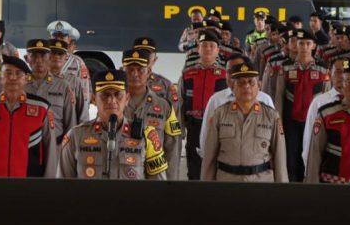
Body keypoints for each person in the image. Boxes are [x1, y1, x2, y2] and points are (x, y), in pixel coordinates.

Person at [59, 70, 168, 180]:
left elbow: (159, 188)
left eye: (117, 94)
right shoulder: (76, 136)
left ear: (127, 99)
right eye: (105, 95)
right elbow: (63, 188)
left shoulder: (147, 136)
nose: (111, 100)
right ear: (94, 99)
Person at [0, 56, 57, 178]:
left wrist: (48, 187)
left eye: (18, 73)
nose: (13, 77)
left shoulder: (42, 108)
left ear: (26, 78)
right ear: (0, 78)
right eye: (8, 73)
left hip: (30, 184)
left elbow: (50, 151)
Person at [201, 59, 288, 182]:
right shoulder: (219, 115)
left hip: (261, 183)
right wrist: (206, 190)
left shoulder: (272, 117)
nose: (246, 86)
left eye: (251, 82)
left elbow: (280, 159)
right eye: (241, 82)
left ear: (259, 85)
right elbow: (209, 158)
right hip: (227, 182)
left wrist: (282, 191)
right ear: (232, 86)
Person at [273, 29, 329, 181]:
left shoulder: (323, 68)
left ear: (314, 46)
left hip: (313, 123)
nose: (304, 47)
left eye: (307, 43)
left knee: (312, 156)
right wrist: (279, 121)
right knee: (291, 157)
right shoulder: (285, 67)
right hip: (290, 121)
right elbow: (279, 96)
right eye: (301, 43)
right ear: (295, 45)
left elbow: (327, 98)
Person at [121, 48, 182, 180]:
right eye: (130, 69)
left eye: (140, 70)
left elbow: (172, 149)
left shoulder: (164, 106)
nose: (135, 74)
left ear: (148, 71)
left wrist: (171, 184)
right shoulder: (114, 105)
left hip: (154, 178)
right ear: (123, 70)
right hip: (121, 176)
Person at [177, 30, 228, 180]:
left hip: (217, 127)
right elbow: (180, 101)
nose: (207, 49)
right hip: (194, 126)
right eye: (204, 45)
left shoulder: (225, 75)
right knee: (193, 166)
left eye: (212, 46)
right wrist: (180, 128)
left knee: (216, 165)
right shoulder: (187, 73)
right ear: (198, 48)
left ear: (218, 50)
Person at [24, 39, 77, 145]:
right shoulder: (20, 85)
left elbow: (71, 123)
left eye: (43, 56)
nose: (39, 60)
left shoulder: (62, 86)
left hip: (56, 146)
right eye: (34, 56)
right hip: (26, 146)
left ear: (49, 58)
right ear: (27, 58)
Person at [301, 58, 347, 167]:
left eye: (346, 72)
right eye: (338, 72)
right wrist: (309, 169)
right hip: (326, 166)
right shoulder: (319, 102)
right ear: (330, 75)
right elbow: (309, 139)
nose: (342, 76)